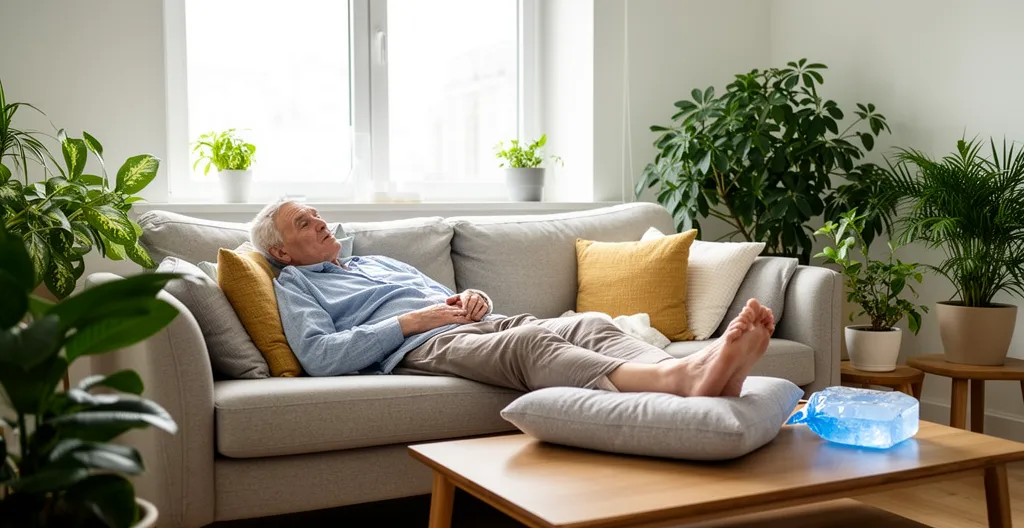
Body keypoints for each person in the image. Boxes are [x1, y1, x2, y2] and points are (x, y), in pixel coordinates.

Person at [251, 198, 774, 398]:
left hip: (474, 322)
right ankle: (678, 379)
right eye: (304, 222)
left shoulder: (374, 260)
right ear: (282, 250)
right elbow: (319, 356)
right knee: (531, 346)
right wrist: (413, 322)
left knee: (587, 324)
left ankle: (708, 367)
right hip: (423, 347)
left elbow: (444, 296)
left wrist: (471, 296)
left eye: (317, 214)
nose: (320, 222)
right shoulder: (296, 285)